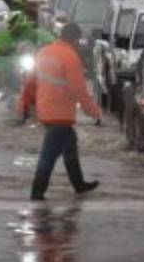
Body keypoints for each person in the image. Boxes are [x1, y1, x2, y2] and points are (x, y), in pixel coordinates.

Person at [17, 23, 101, 201]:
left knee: (70, 144)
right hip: (60, 113)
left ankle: (79, 185)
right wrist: (94, 112)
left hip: (46, 109)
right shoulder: (70, 57)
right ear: (75, 39)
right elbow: (79, 89)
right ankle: (37, 192)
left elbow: (30, 82)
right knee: (49, 154)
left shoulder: (43, 52)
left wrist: (24, 105)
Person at [0, 11, 53, 97]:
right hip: (14, 59)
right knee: (2, 68)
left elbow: (46, 39)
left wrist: (45, 45)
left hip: (30, 56)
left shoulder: (34, 32)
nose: (14, 29)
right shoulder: (4, 35)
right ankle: (4, 90)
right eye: (11, 25)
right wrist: (2, 50)